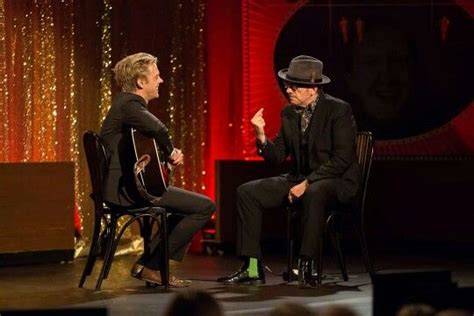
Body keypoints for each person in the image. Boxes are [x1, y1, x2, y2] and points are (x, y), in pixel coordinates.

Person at [217, 55, 360, 288]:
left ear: (313, 89)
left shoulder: (338, 110)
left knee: (315, 192)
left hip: (336, 180)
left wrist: (307, 183)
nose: (288, 89)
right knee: (247, 192)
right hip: (300, 177)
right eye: (288, 84)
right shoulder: (289, 113)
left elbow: (342, 159)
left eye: (295, 85)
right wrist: (261, 136)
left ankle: (307, 264)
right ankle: (252, 267)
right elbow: (277, 156)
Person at [100, 52, 215, 287]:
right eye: (156, 76)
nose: (161, 80)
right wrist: (171, 151)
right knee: (205, 206)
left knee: (181, 209)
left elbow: (141, 151)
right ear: (141, 83)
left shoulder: (124, 106)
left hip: (125, 187)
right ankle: (152, 267)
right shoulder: (129, 104)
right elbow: (160, 129)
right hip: (126, 192)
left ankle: (146, 264)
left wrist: (166, 159)